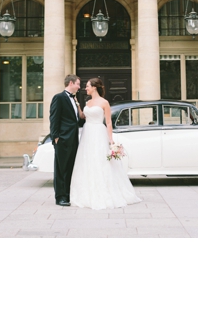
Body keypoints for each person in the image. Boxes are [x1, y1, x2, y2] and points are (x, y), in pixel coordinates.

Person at [70, 78, 142, 210]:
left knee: (100, 160)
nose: (85, 88)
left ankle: (105, 191)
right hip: (87, 132)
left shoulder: (104, 103)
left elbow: (108, 122)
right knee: (87, 160)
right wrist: (77, 104)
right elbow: (82, 116)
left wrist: (111, 140)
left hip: (98, 132)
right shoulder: (88, 102)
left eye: (87, 86)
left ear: (94, 88)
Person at [49, 74, 84, 207]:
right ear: (71, 83)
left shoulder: (75, 99)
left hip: (73, 139)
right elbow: (54, 118)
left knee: (70, 168)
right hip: (62, 139)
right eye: (78, 84)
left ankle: (68, 195)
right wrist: (56, 137)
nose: (79, 87)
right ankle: (60, 197)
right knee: (61, 169)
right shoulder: (59, 98)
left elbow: (77, 119)